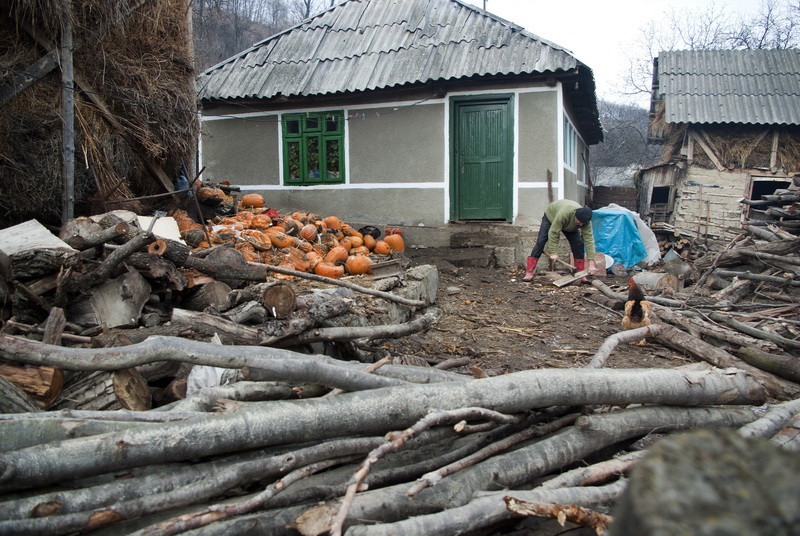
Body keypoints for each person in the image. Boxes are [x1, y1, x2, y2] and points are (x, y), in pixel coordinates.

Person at [522, 199, 597, 281]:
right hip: (551, 217)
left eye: (583, 223)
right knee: (541, 242)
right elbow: (554, 232)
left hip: (569, 225)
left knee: (578, 244)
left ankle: (580, 273)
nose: (581, 225)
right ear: (575, 215)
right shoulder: (564, 214)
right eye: (579, 222)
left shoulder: (585, 222)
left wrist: (591, 262)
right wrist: (553, 252)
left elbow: (589, 240)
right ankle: (529, 271)